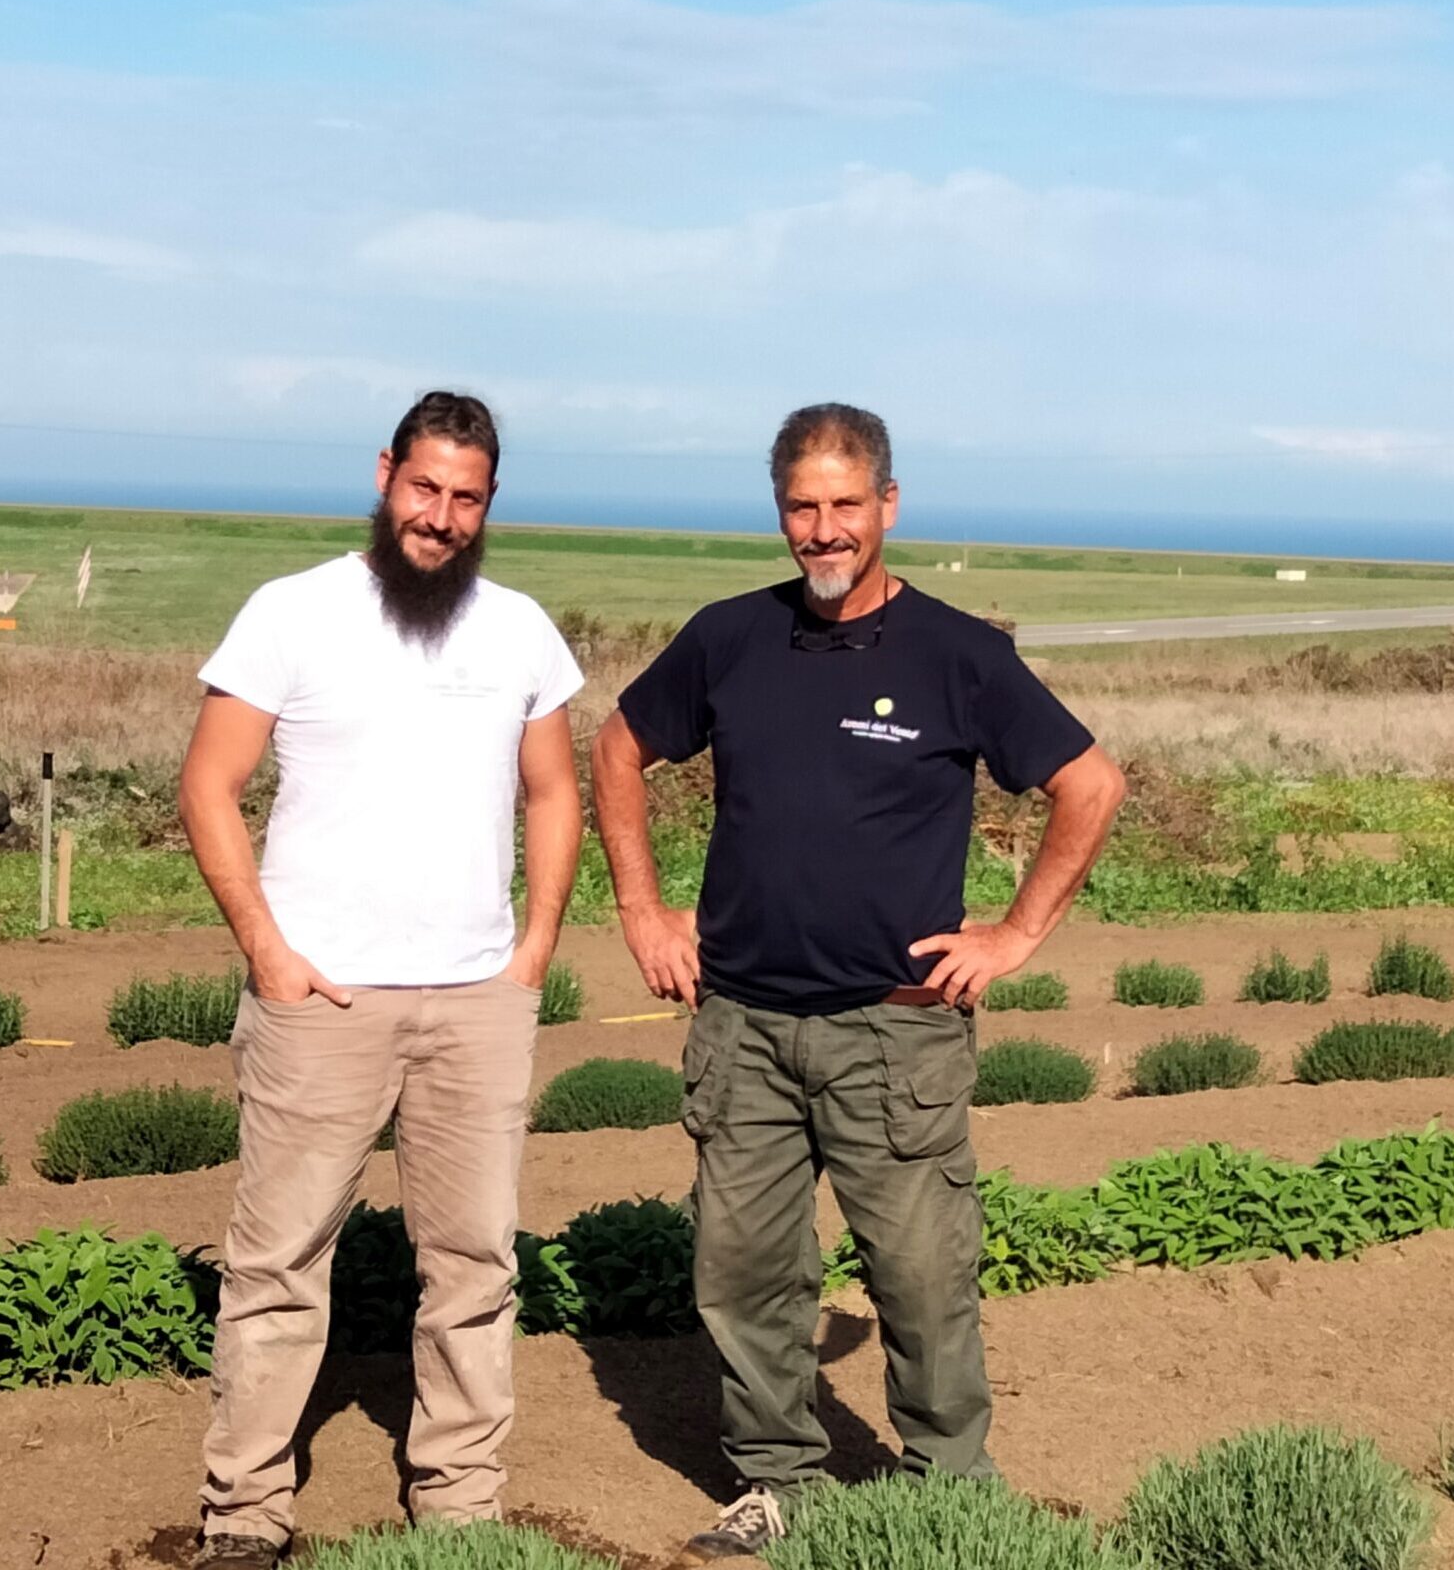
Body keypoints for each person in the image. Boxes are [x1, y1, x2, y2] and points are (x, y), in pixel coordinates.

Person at [591, 402, 1125, 1563]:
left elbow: (1089, 784)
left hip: (897, 1034)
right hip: (740, 1024)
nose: (821, 531)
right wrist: (642, 908)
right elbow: (617, 747)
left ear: (887, 505)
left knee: (924, 1280)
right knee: (741, 1275)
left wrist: (1014, 935)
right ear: (778, 509)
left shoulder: (959, 655)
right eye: (800, 507)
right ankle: (777, 1484)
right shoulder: (730, 638)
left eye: (844, 505)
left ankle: (951, 1493)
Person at [180, 391, 585, 1568]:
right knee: (277, 1267)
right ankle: (244, 1513)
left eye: (465, 497)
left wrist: (535, 950)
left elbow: (551, 791)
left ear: (488, 504)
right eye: (424, 488)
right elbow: (209, 784)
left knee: (472, 1266)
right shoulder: (292, 613)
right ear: (384, 476)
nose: (440, 516)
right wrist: (268, 950)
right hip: (324, 1004)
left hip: (474, 1005)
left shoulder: (518, 631)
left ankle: (459, 1500)